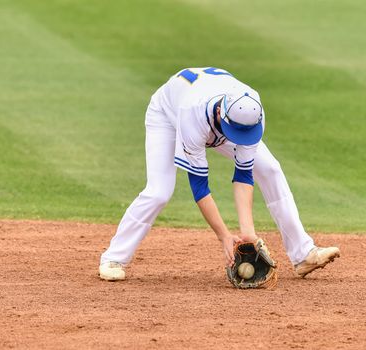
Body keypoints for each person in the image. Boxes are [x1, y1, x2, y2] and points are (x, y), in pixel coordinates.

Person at [99, 67, 340, 281]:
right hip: (168, 116)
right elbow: (200, 187)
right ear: (221, 114)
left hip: (211, 117)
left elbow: (244, 175)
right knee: (159, 191)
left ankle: (303, 254)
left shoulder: (251, 112)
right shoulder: (192, 115)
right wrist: (224, 236)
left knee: (269, 169)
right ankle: (113, 258)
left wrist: (248, 233)